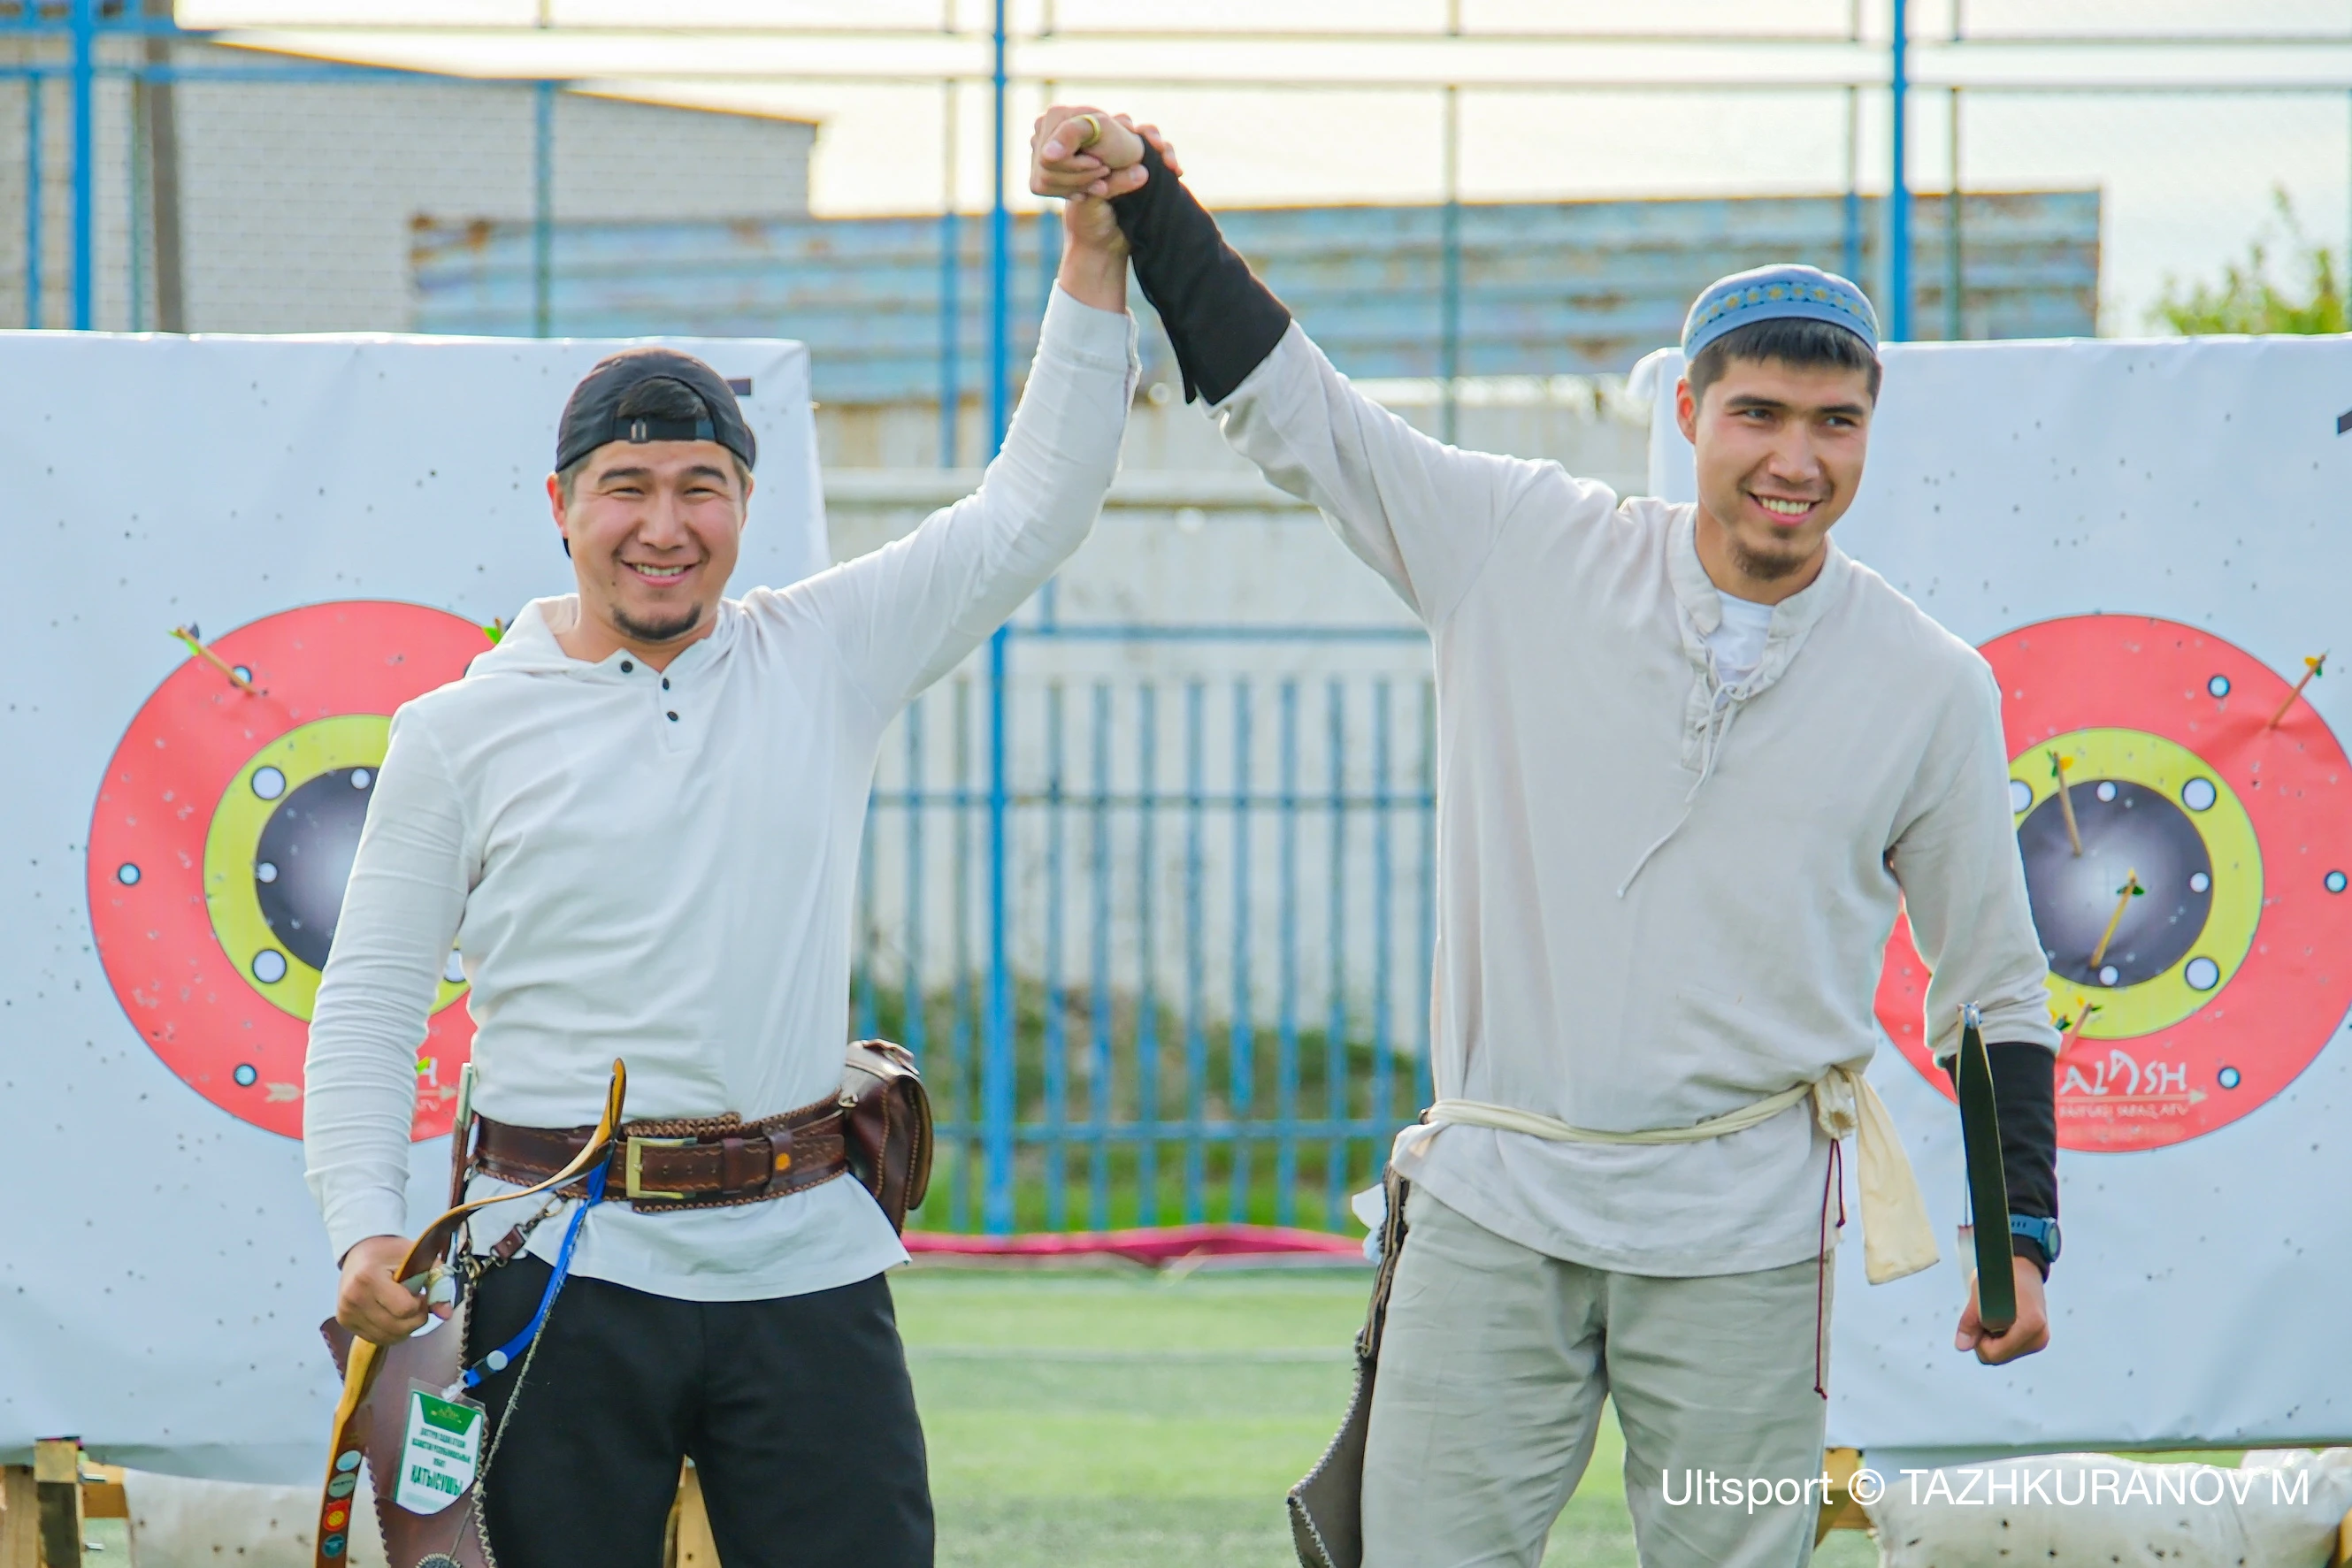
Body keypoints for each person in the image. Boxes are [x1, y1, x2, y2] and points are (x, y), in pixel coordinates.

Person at [1030, 110, 2060, 1568]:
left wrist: (2014, 1237)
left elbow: (1993, 987)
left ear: (1868, 430)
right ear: (1688, 413)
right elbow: (1299, 408)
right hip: (1493, 1208)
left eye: (1834, 423)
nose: (1795, 458)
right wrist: (1150, 200)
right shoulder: (1518, 546)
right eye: (1757, 413)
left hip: (1741, 1235)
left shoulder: (1929, 683)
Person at [302, 115, 1153, 1567]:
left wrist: (1091, 259)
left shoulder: (821, 652)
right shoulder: (460, 729)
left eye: (701, 486)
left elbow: (1032, 509)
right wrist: (365, 1230)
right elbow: (373, 1001)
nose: (663, 523)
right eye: (625, 488)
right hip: (554, 1272)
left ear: (746, 506)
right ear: (562, 506)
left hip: (805, 1265)